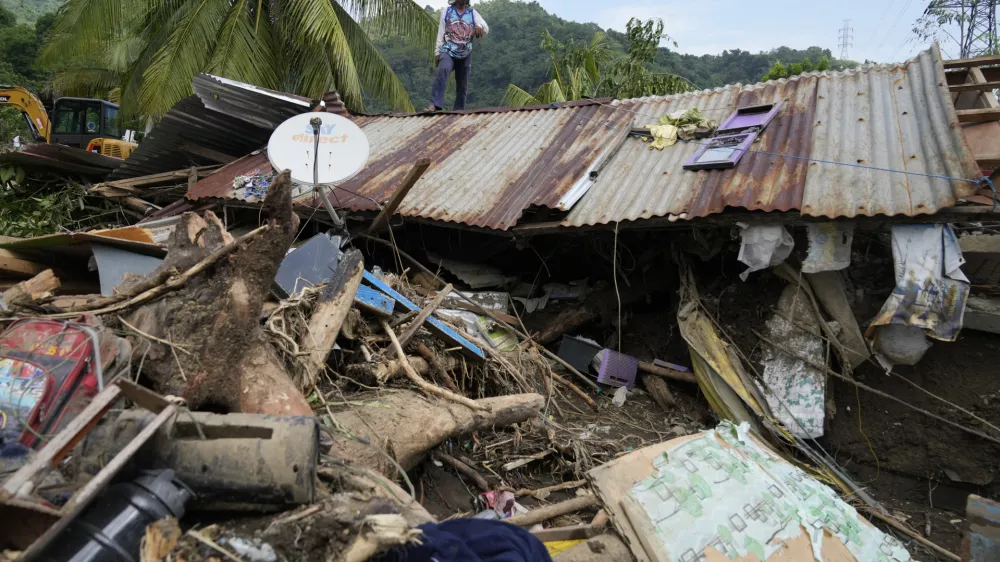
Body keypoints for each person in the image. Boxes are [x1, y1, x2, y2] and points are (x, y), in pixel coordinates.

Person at [425, 0, 488, 112]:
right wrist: (437, 52)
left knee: (463, 82)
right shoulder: (447, 11)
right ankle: (435, 104)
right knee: (443, 69)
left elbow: (486, 28)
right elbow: (441, 32)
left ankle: (459, 109)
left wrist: (479, 26)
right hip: (448, 50)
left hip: (465, 52)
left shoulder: (472, 13)